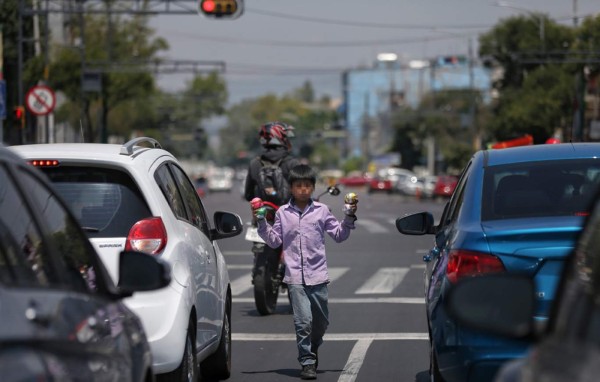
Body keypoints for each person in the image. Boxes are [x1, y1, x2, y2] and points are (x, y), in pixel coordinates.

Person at [251, 164, 358, 380]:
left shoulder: (321, 211)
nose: (303, 190)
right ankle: (307, 361)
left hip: (318, 275)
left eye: (307, 186)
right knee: (303, 322)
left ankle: (313, 346)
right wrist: (261, 221)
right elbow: (274, 241)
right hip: (294, 277)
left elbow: (339, 235)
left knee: (321, 322)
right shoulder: (282, 213)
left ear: (313, 188)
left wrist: (349, 217)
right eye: (298, 186)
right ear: (291, 188)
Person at [244, 121, 301, 204]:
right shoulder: (293, 163)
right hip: (289, 215)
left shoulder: (254, 163)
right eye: (286, 137)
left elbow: (249, 195)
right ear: (280, 139)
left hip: (264, 214)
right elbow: (302, 193)